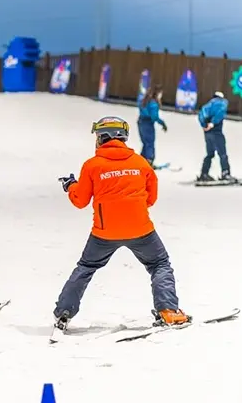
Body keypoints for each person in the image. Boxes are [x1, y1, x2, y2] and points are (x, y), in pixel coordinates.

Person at [53, 116, 190, 332]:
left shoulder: (92, 165)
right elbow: (151, 198)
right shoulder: (140, 163)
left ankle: (64, 312)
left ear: (102, 138)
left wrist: (71, 186)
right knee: (159, 264)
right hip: (141, 230)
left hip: (104, 233)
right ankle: (169, 310)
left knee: (86, 268)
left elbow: (80, 201)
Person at [196, 91, 237, 182]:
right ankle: (225, 173)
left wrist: (204, 125)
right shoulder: (222, 103)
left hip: (207, 132)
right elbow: (220, 113)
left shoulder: (207, 105)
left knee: (210, 154)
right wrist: (213, 123)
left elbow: (200, 115)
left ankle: (204, 173)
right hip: (216, 131)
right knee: (222, 153)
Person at [137, 84, 167, 166]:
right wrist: (163, 123)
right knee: (150, 143)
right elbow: (154, 117)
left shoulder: (144, 100)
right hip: (148, 124)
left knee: (145, 143)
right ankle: (149, 161)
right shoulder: (153, 103)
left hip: (140, 122)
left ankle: (141, 160)